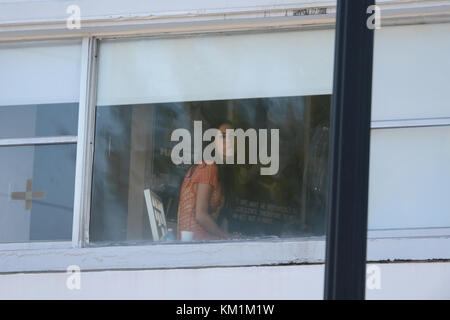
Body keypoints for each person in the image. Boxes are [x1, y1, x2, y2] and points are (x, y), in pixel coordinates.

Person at [176, 121, 235, 241]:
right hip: (196, 245)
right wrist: (227, 237)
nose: (229, 141)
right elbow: (201, 216)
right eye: (223, 136)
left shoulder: (215, 168)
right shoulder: (209, 167)